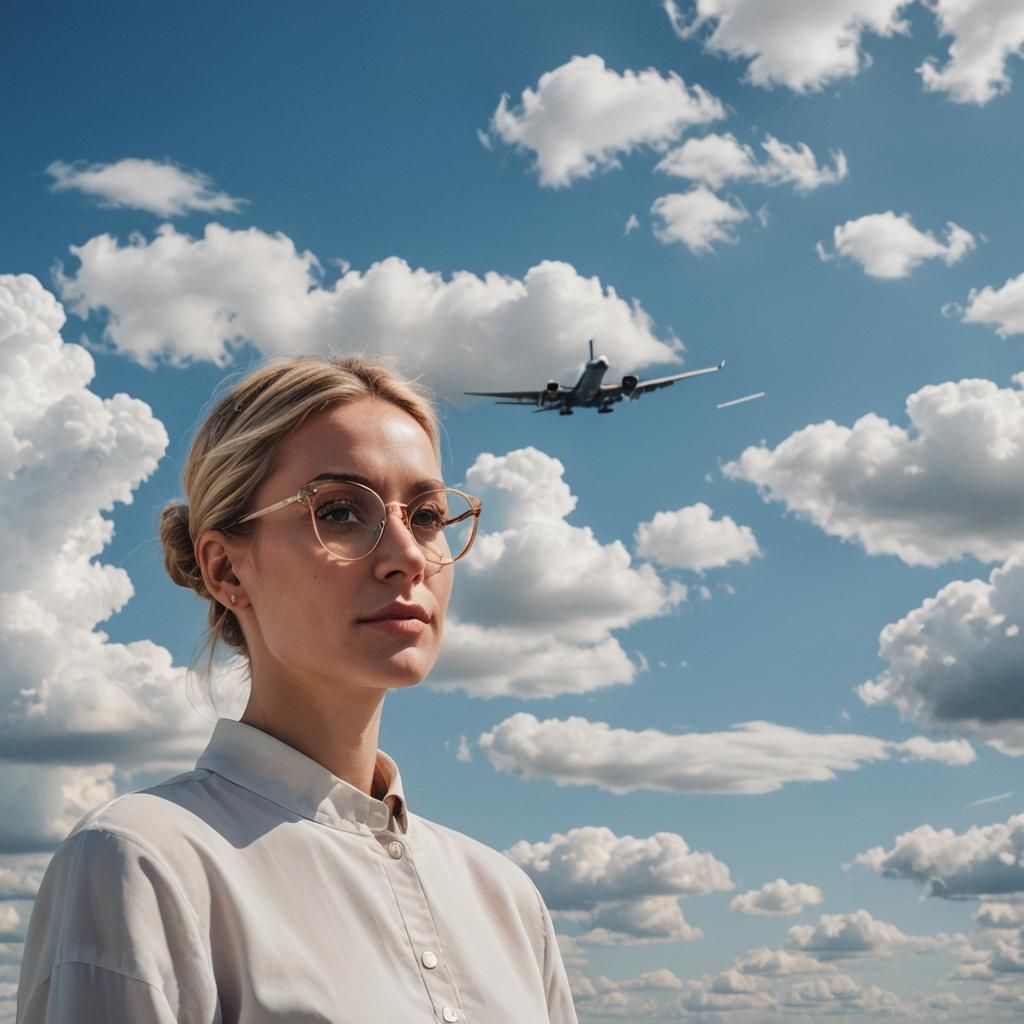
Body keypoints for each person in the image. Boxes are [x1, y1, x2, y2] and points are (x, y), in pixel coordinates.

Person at [16, 355, 579, 1023]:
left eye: (427, 515)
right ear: (226, 569)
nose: (407, 556)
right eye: (340, 512)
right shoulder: (142, 863)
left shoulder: (508, 902)